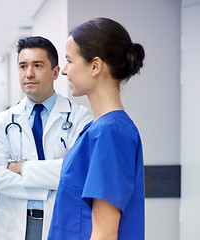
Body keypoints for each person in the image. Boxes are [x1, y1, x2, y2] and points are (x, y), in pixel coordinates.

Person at [0, 36, 93, 240]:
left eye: (37, 65)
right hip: (12, 224)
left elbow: (78, 173)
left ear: (55, 72)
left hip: (60, 220)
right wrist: (48, 186)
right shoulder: (2, 122)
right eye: (23, 66)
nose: (29, 73)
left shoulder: (80, 118)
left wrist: (21, 168)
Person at [48, 17, 145, 239]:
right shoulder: (98, 129)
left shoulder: (111, 133)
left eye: (69, 61)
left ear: (95, 66)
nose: (64, 71)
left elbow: (104, 234)